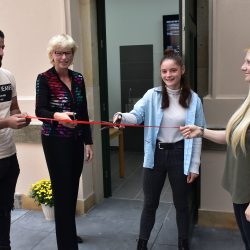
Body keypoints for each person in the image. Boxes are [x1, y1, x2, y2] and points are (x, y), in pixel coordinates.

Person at [113, 49, 206, 250]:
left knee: (181, 204)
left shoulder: (193, 99)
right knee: (150, 203)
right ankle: (142, 243)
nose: (168, 75)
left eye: (173, 70)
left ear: (182, 70)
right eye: (164, 71)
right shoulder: (151, 95)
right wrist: (121, 116)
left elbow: (199, 134)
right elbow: (136, 116)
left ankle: (183, 243)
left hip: (181, 155)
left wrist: (195, 166)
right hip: (155, 155)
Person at [180, 48, 250, 250]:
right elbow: (231, 136)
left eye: (248, 62)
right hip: (241, 191)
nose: (242, 67)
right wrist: (200, 131)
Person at [35, 34, 93, 250]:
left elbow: (84, 111)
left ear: (72, 54)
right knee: (62, 190)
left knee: (72, 187)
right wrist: (57, 115)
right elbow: (40, 111)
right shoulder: (44, 78)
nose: (63, 57)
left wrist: (88, 142)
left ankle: (69, 230)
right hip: (55, 141)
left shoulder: (78, 78)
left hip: (76, 140)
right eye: (58, 53)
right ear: (52, 55)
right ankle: (66, 244)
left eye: (67, 52)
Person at [0, 30, 31, 250]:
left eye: (2, 47)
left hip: (9, 156)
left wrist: (22, 118)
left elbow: (14, 109)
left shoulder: (8, 76)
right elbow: (6, 119)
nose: (1, 52)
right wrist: (6, 123)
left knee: (4, 209)